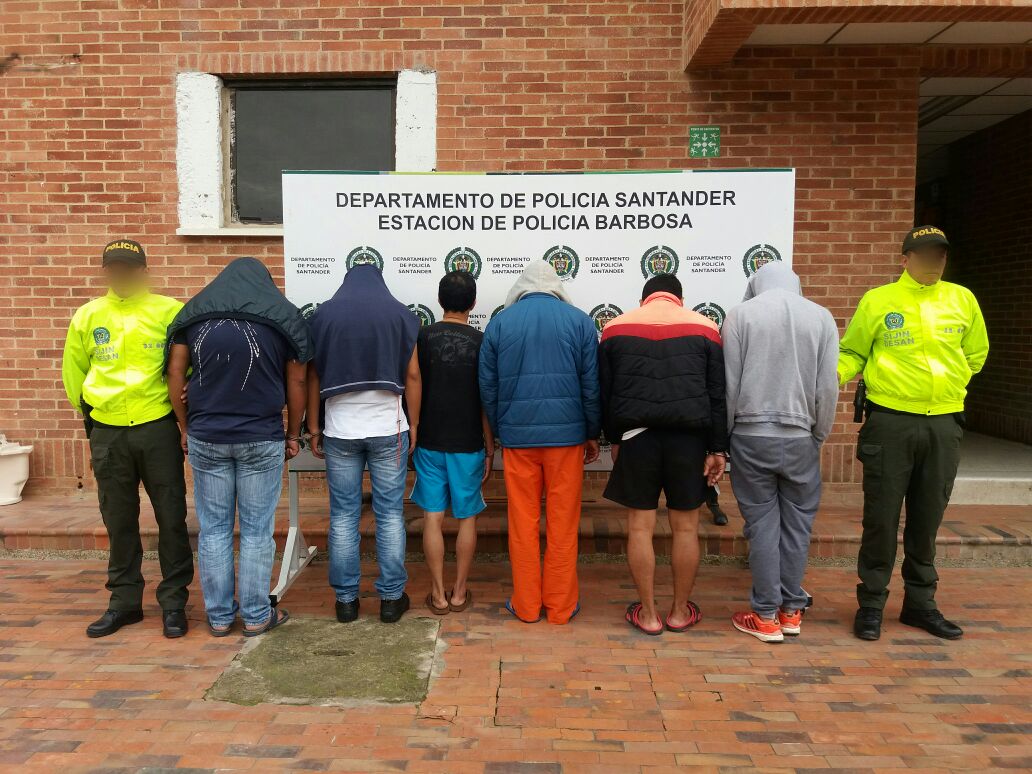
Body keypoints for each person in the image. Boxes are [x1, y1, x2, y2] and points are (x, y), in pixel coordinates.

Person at [840, 226, 989, 641]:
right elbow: (852, 351)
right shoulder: (879, 300)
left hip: (943, 423)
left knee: (927, 520)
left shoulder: (962, 299)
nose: (932, 262)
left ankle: (920, 605)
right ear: (905, 259)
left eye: (939, 255)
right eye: (924, 254)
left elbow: (976, 353)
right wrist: (831, 376)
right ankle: (871, 604)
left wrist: (949, 385)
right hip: (890, 422)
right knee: (881, 519)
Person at [166, 257, 312, 637]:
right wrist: (293, 434)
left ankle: (217, 616)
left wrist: (185, 424)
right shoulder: (282, 317)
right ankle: (256, 615)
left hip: (207, 436)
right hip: (261, 437)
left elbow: (175, 373)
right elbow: (297, 382)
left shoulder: (193, 315)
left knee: (213, 530)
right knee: (256, 530)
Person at [61, 239, 193, 639]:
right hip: (108, 429)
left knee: (171, 516)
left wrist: (179, 403)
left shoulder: (169, 312)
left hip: (156, 426)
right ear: (106, 271)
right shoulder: (88, 316)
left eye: (128, 268)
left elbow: (184, 367)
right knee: (118, 519)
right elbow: (74, 374)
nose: (121, 276)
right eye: (113, 268)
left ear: (142, 270)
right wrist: (92, 421)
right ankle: (123, 602)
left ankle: (173, 602)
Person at [598, 273, 727, 635]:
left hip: (637, 438)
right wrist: (718, 448)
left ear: (644, 299)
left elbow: (605, 393)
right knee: (685, 528)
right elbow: (718, 395)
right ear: (679, 299)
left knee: (640, 527)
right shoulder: (706, 327)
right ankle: (680, 612)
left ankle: (650, 615)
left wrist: (615, 438)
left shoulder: (615, 328)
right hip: (689, 441)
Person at [722, 262, 839, 643]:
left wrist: (724, 441)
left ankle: (766, 615)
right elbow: (827, 389)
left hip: (750, 435)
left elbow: (730, 384)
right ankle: (791, 612)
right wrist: (818, 435)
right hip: (801, 434)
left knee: (761, 525)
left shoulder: (740, 316)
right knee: (798, 525)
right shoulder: (821, 318)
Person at [479, 261, 600, 625]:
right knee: (563, 523)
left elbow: (487, 386)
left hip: (519, 438)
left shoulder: (501, 322)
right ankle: (561, 608)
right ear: (557, 289)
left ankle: (527, 606)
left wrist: (502, 427)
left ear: (521, 288)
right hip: (567, 439)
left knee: (523, 523)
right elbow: (591, 385)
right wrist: (591, 432)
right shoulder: (579, 321)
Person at [306, 264, 420, 624]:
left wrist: (313, 427)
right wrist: (414, 422)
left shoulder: (322, 316)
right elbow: (413, 374)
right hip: (388, 427)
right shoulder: (400, 314)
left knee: (343, 516)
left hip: (340, 430)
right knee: (389, 515)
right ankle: (389, 599)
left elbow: (312, 375)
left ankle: (345, 602)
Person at [410, 271, 494, 615]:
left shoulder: (421, 337)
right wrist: (489, 445)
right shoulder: (483, 341)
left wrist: (414, 428)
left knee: (433, 517)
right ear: (473, 303)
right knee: (468, 518)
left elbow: (412, 381)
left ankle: (437, 593)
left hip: (430, 439)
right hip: (469, 442)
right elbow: (487, 399)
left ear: (440, 300)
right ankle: (459, 591)